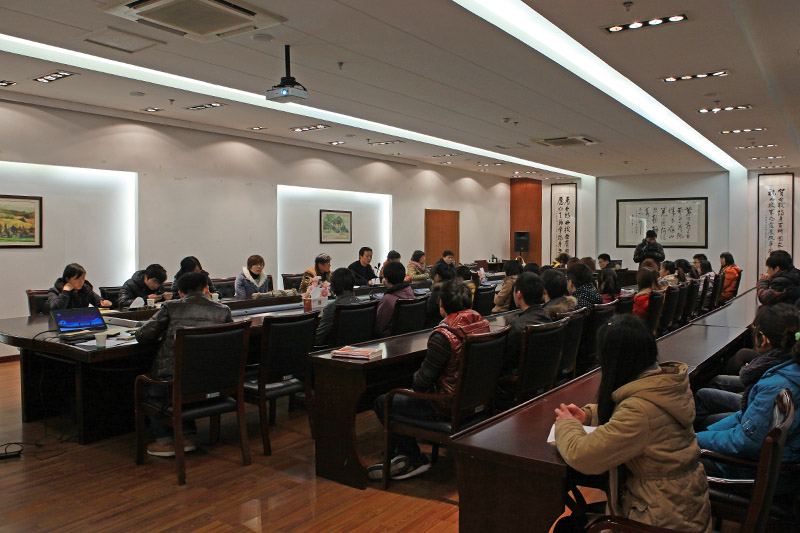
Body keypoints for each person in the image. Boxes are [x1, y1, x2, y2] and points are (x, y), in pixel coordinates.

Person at [554, 314, 712, 532]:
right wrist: (589, 415)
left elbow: (582, 455)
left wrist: (567, 424)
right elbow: (643, 419)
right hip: (680, 505)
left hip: (660, 518)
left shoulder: (639, 411)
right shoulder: (664, 385)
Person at [368, 279, 489, 481]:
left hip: (444, 406)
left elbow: (420, 384)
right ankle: (401, 454)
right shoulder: (482, 325)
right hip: (474, 401)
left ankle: (412, 458)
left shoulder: (444, 335)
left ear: (441, 304)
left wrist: (416, 373)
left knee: (384, 400)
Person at [135, 271, 233, 457]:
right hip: (212, 378)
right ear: (206, 289)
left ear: (180, 292)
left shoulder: (171, 307)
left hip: (175, 378)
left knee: (153, 389)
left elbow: (143, 335)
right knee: (184, 383)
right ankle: (187, 435)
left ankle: (164, 440)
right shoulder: (223, 310)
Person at [697, 322, 800, 497]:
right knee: (704, 424)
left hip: (757, 474)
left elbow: (745, 443)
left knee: (670, 459)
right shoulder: (787, 372)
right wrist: (702, 435)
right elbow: (748, 420)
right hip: (770, 464)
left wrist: (693, 440)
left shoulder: (781, 383)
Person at [694, 304, 799, 431]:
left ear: (763, 339)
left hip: (751, 425)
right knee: (707, 392)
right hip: (754, 414)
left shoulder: (775, 381)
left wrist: (698, 438)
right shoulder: (787, 360)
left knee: (705, 412)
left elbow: (746, 435)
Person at [503, 272, 551, 373]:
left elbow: (506, 363)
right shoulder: (549, 319)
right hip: (544, 374)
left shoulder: (516, 328)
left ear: (519, 294)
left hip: (519, 379)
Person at [314, 267, 360, 345]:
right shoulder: (363, 303)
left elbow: (318, 339)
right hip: (363, 347)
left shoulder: (331, 308)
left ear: (332, 287)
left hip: (336, 350)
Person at [46, 263, 112, 311]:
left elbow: (98, 302)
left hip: (82, 321)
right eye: (77, 279)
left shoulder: (85, 289)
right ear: (67, 279)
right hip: (63, 322)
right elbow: (55, 309)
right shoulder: (55, 291)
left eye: (83, 278)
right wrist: (65, 292)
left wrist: (104, 303)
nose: (81, 282)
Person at [374, 262, 415, 338]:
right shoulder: (410, 292)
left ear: (386, 279)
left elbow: (380, 327)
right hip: (410, 337)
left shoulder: (387, 299)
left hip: (390, 339)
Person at [425, 262, 455, 327]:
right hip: (455, 324)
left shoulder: (436, 294)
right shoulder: (457, 289)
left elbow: (429, 315)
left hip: (438, 327)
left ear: (436, 276)